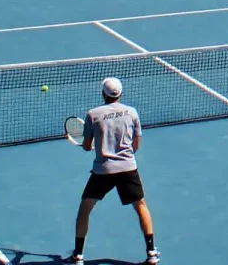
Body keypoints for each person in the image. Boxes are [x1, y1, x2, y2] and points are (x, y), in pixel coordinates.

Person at [65, 78, 160, 265]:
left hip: (103, 171)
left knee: (85, 209)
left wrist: (95, 146)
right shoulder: (132, 112)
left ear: (103, 94)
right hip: (127, 168)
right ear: (120, 94)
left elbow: (86, 146)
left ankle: (77, 255)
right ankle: (151, 252)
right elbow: (136, 145)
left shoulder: (93, 114)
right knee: (141, 205)